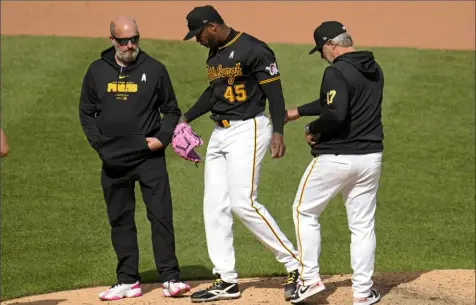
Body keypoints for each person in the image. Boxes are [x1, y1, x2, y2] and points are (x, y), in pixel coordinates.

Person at [180, 5, 301, 303]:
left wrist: (278, 133)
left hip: (249, 129)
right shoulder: (215, 53)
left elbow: (275, 92)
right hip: (219, 134)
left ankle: (297, 264)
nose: (197, 40)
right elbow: (215, 93)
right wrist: (186, 118)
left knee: (243, 203)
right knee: (214, 206)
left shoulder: (254, 49)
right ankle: (226, 279)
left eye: (198, 34)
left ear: (211, 26)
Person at [78, 16, 190, 301]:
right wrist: (99, 145)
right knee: (120, 219)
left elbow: (171, 109)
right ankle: (128, 280)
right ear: (112, 40)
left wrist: (161, 139)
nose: (131, 45)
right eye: (124, 40)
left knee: (161, 216)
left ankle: (170, 277)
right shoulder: (96, 71)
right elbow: (86, 113)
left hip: (149, 157)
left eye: (135, 39)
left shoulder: (154, 70)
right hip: (113, 159)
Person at [286, 21, 384, 305]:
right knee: (362, 226)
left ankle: (310, 280)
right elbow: (337, 101)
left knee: (304, 211)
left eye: (321, 50)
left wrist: (312, 129)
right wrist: (298, 112)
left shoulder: (335, 71)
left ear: (331, 44)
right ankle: (363, 294)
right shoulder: (373, 68)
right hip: (370, 158)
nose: (321, 56)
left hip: (337, 159)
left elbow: (336, 113)